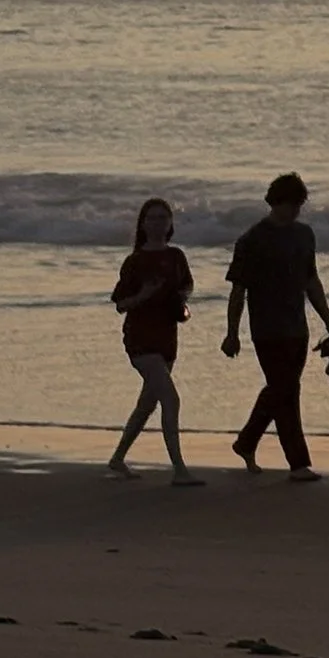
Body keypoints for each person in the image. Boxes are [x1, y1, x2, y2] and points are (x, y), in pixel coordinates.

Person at [223, 172, 329, 483]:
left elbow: (311, 282)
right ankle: (298, 464)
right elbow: (238, 291)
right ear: (274, 202)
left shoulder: (305, 236)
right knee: (286, 390)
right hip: (266, 329)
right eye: (290, 204)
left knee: (282, 389)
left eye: (299, 205)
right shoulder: (252, 241)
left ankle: (246, 442)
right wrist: (232, 333)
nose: (295, 211)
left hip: (297, 327)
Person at [107, 197, 202, 485]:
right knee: (170, 399)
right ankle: (180, 470)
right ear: (143, 223)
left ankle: (117, 458)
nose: (158, 223)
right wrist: (144, 295)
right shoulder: (134, 261)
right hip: (140, 337)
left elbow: (187, 285)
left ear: (171, 223)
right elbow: (121, 303)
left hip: (167, 335)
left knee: (148, 403)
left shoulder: (176, 256)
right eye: (152, 218)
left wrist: (181, 298)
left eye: (163, 217)